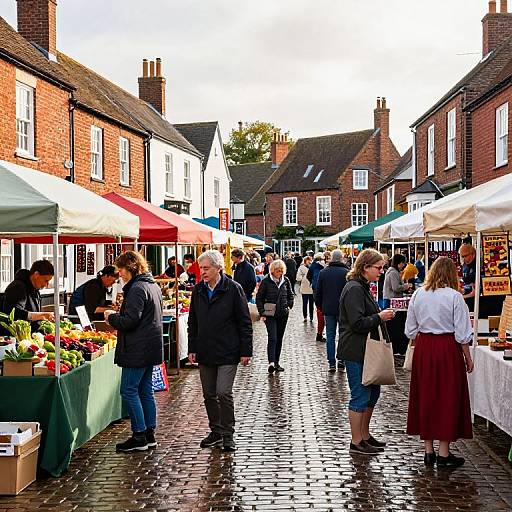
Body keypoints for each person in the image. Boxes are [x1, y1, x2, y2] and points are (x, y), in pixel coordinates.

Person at [405, 257, 474, 468]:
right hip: (447, 347)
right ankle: (444, 453)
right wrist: (468, 358)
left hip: (424, 347)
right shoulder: (455, 297)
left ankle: (428, 451)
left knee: (426, 395)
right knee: (447, 397)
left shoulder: (418, 294)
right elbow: (463, 333)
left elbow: (410, 330)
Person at [188, 250, 253, 452]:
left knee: (223, 392)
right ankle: (215, 431)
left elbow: (244, 322)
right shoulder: (198, 290)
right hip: (206, 350)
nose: (203, 272)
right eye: (201, 268)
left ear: (218, 268)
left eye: (206, 268)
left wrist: (246, 350)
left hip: (228, 350)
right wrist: (192, 348)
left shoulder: (233, 289)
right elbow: (193, 322)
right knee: (209, 394)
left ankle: (227, 434)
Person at [104, 251, 163, 453]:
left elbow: (130, 321)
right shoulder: (152, 286)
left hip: (137, 348)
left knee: (129, 390)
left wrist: (111, 317)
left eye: (121, 269)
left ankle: (139, 435)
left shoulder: (137, 289)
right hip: (150, 347)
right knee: (146, 391)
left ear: (131, 267)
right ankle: (149, 434)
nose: (119, 273)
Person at [338, 249, 394, 455]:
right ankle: (356, 441)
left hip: (365, 350)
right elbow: (357, 323)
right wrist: (380, 317)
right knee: (360, 395)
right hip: (356, 350)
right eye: (378, 268)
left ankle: (365, 435)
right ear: (365, 267)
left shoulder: (361, 287)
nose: (381, 272)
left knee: (372, 393)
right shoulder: (354, 288)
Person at [256, 259, 294, 374]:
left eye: (282, 270)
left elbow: (290, 294)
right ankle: (271, 362)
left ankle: (276, 362)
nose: (280, 273)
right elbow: (259, 298)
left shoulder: (285, 280)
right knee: (273, 337)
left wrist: (289, 304)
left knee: (279, 338)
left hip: (283, 313)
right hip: (270, 314)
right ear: (272, 271)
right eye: (278, 270)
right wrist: (262, 312)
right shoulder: (266, 281)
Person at [315, 250, 349, 372]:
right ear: (341, 259)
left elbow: (318, 292)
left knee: (330, 336)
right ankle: (341, 360)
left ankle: (331, 363)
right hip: (343, 309)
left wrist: (320, 306)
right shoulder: (346, 272)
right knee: (342, 335)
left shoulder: (323, 272)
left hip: (328, 309)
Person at [2, 260, 55, 331]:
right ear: (36, 274)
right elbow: (15, 312)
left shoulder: (35, 289)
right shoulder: (18, 287)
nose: (46, 285)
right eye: (46, 280)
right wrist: (42, 315)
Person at [307, 253, 326, 342]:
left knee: (319, 309)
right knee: (321, 310)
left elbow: (308, 276)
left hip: (316, 289)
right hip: (322, 289)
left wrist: (312, 283)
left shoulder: (312, 266)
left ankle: (320, 332)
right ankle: (320, 332)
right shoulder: (323, 267)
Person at [296, 256, 314, 322]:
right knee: (305, 303)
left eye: (310, 260)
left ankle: (311, 317)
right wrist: (303, 278)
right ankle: (305, 317)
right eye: (308, 260)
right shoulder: (301, 268)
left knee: (311, 304)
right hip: (304, 287)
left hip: (312, 288)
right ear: (305, 261)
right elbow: (298, 277)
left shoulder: (313, 267)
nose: (309, 262)